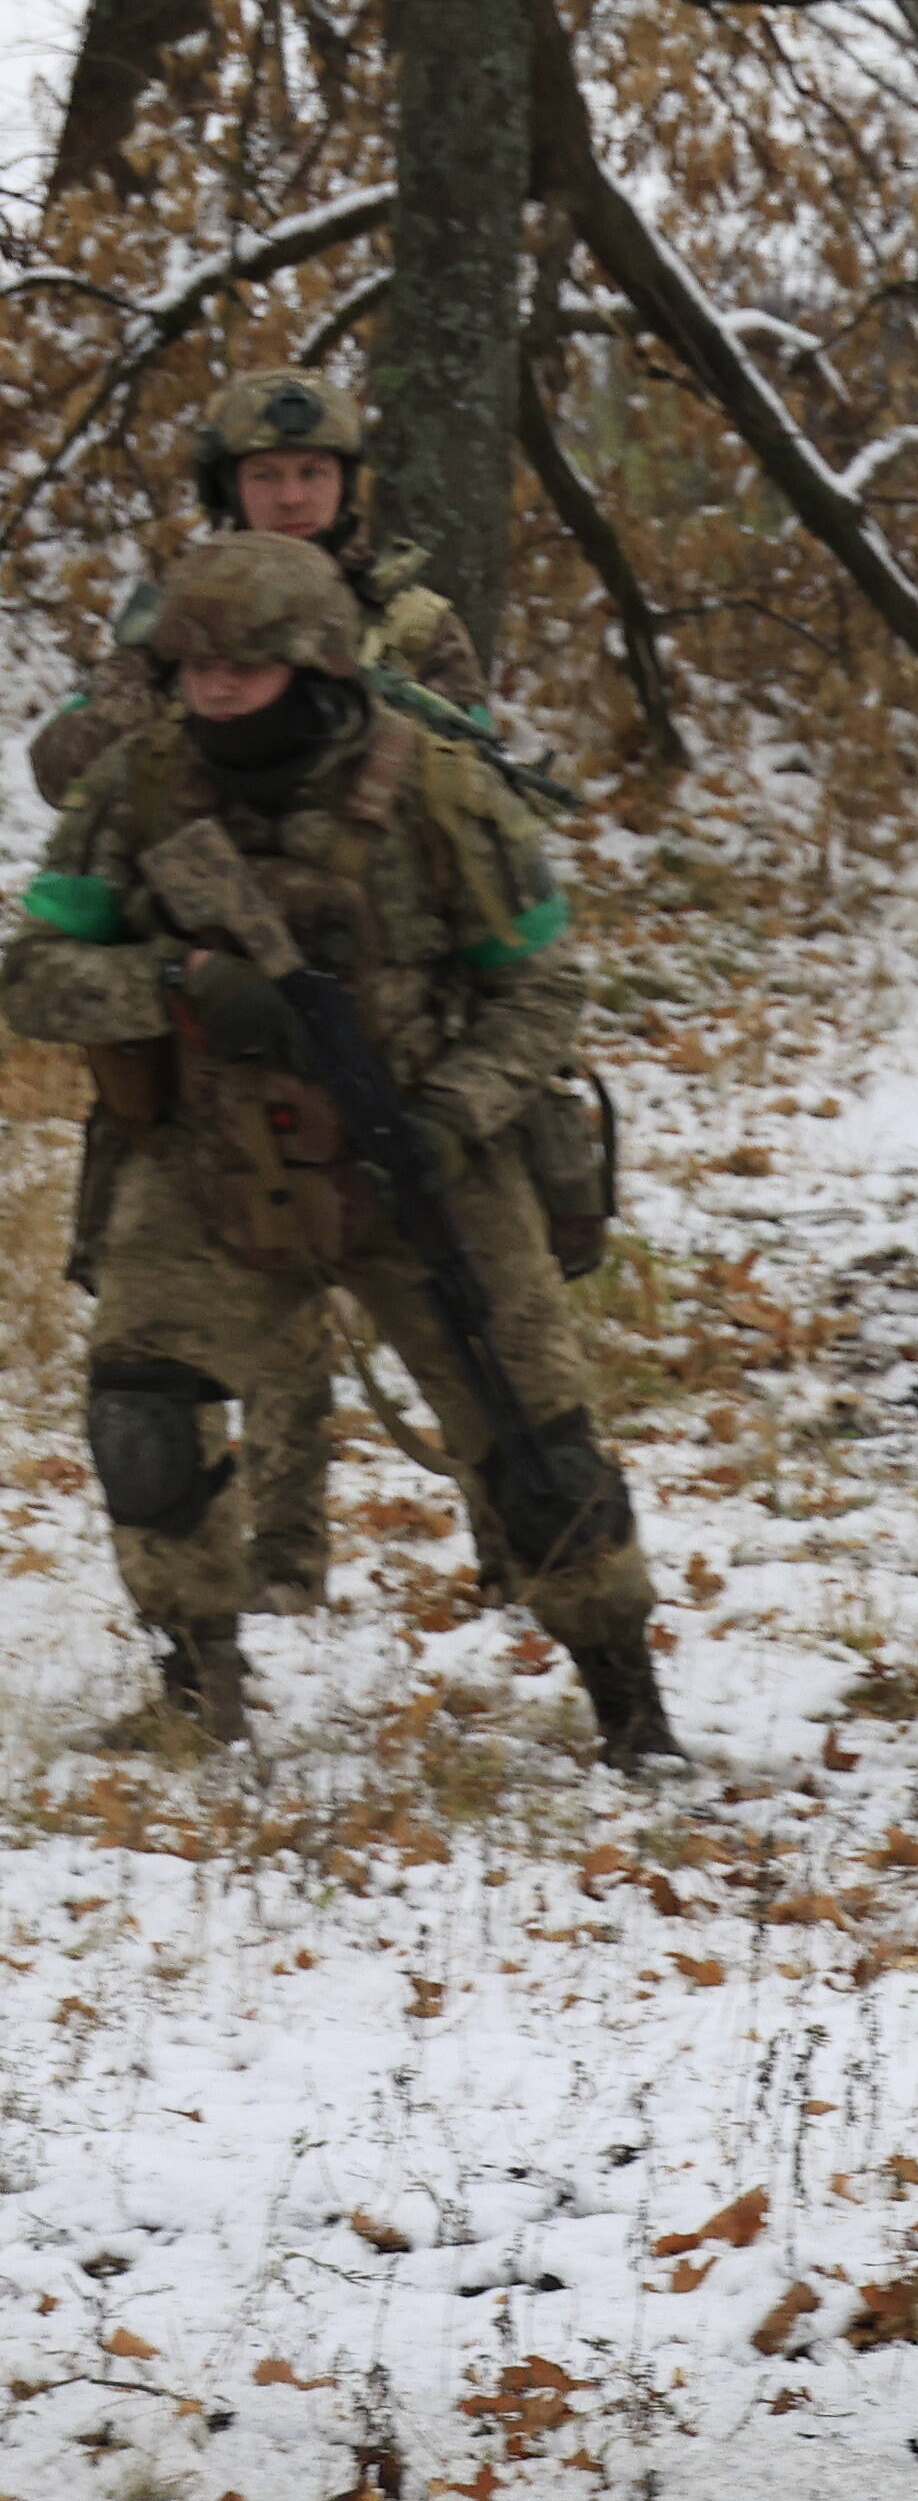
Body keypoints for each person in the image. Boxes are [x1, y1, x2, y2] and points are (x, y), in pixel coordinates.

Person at [6, 533, 675, 1764]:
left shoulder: (438, 791)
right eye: (192, 665)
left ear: (314, 663)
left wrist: (448, 1113)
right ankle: (195, 1683)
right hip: (210, 1151)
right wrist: (176, 979)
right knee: (144, 1412)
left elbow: (540, 992)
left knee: (535, 1434)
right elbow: (35, 974)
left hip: (426, 1149)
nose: (211, 687)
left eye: (242, 666)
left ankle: (627, 1701)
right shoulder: (137, 789)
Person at [28, 370, 500, 1619]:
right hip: (215, 1008)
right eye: (266, 479)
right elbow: (67, 765)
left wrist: (369, 704)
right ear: (227, 489)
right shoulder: (176, 614)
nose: (291, 497)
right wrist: (182, 675)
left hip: (389, 990)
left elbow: (475, 783)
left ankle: (527, 1542)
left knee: (473, 1300)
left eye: (313, 477)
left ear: (348, 487)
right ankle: (279, 1563)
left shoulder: (414, 618)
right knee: (240, 1305)